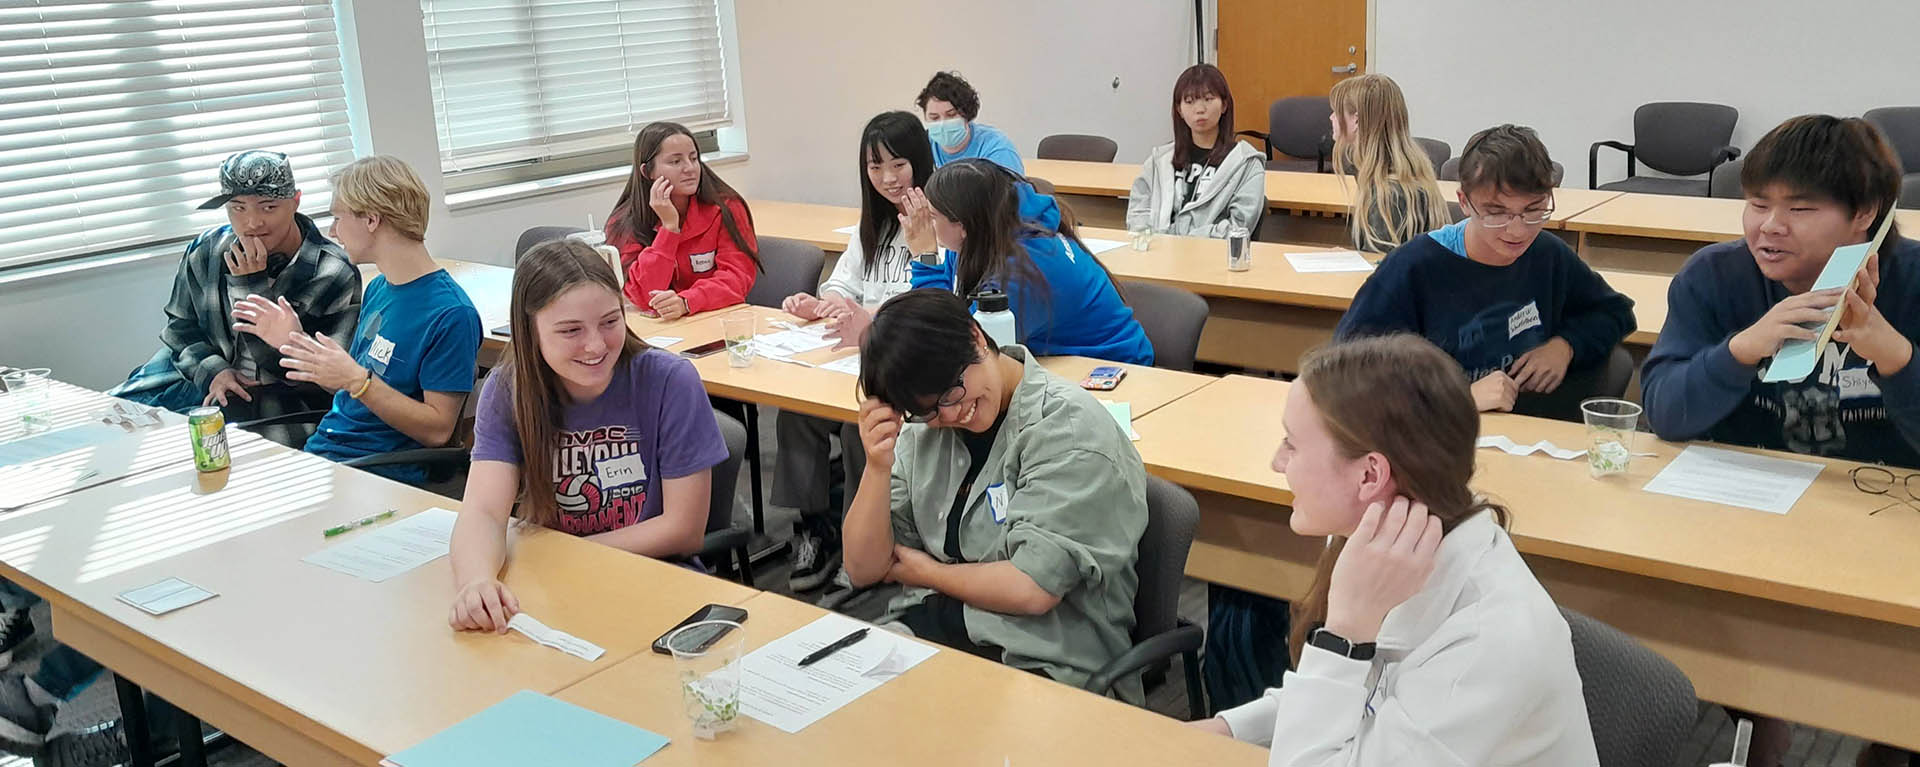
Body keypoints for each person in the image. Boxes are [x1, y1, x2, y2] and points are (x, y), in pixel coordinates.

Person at [1640, 114, 1915, 767]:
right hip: (1749, 515)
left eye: (1800, 207)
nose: (1769, 224)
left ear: (1863, 215)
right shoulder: (1715, 279)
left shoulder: (1914, 284)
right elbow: (1664, 413)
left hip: (1886, 521)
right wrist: (1742, 349)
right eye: (1757, 202)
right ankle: (1755, 710)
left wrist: (1894, 354)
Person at [1188, 334, 1598, 765]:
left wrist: (1345, 635)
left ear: (1369, 475)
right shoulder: (1384, 539)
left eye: (1291, 443)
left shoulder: (1487, 646)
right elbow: (1345, 700)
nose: (1277, 461)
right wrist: (1231, 729)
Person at [842, 289, 1147, 700]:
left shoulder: (1068, 432)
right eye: (928, 409)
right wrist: (877, 467)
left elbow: (1032, 588)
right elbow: (863, 568)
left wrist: (926, 573)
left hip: (1042, 659)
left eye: (951, 391)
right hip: (935, 630)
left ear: (976, 337)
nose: (951, 414)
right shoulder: (925, 428)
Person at [448, 239, 730, 634]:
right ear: (530, 333)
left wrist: (568, 554)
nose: (596, 345)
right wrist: (476, 581)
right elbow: (483, 511)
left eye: (611, 322)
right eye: (570, 331)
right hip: (551, 588)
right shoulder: (508, 389)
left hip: (653, 583)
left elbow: (683, 527)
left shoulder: (669, 381)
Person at [1334, 125, 1635, 415]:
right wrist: (1457, 398)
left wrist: (1566, 345)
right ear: (1464, 202)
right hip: (1436, 434)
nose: (1517, 231)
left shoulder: (1547, 254)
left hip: (1524, 432)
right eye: (1496, 212)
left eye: (1533, 210)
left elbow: (1615, 312)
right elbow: (1348, 371)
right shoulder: (1414, 267)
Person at [236, 155, 481, 485]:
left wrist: (359, 382)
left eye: (338, 217)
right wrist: (297, 344)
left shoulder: (452, 314)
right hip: (327, 453)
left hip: (376, 472)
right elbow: (351, 383)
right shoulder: (380, 287)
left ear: (371, 219)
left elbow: (438, 431)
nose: (332, 231)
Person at [773, 111, 937, 592]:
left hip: (906, 366)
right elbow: (843, 283)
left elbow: (933, 302)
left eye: (899, 165)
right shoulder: (873, 225)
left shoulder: (937, 220)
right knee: (796, 411)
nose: (887, 178)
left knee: (858, 425)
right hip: (856, 358)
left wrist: (874, 317)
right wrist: (821, 304)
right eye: (874, 167)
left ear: (920, 163)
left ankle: (861, 538)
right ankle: (815, 525)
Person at [108, 150, 361, 443]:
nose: (252, 222)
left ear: (295, 201)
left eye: (268, 207)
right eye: (238, 208)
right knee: (111, 423)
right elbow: (180, 327)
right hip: (198, 379)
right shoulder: (206, 249)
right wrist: (214, 371)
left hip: (282, 399)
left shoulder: (333, 271)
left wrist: (250, 288)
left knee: (206, 448)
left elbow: (317, 380)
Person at [912, 159, 1155, 366]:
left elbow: (954, 351)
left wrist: (926, 260)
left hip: (1114, 371)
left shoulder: (1021, 273)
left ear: (963, 225)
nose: (929, 226)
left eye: (932, 217)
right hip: (1065, 362)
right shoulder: (993, 233)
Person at [605, 122, 759, 320]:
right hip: (662, 328)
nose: (690, 168)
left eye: (694, 158)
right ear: (647, 172)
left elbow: (737, 279)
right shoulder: (624, 221)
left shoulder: (726, 207)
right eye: (675, 162)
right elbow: (642, 297)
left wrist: (687, 301)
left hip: (716, 319)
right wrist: (669, 228)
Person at [1125, 63, 1266, 238]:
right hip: (1160, 256)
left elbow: (1238, 228)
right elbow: (1138, 213)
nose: (1199, 109)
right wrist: (1148, 239)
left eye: (1208, 99)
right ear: (1179, 110)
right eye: (1189, 101)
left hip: (1212, 257)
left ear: (1224, 105)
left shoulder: (1246, 163)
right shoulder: (1160, 160)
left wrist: (1179, 238)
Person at [1328, 73, 1450, 253]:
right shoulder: (1404, 173)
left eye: (1336, 112)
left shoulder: (1389, 193)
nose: (1331, 118)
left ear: (1356, 120)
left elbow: (1381, 271)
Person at [918, 71, 1024, 174]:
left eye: (951, 115)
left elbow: (1012, 191)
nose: (942, 124)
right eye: (934, 118)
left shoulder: (997, 149)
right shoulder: (923, 146)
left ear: (967, 114)